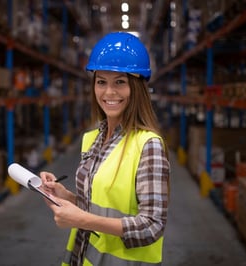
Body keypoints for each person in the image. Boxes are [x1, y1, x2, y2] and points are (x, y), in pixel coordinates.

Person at [40, 31, 170, 266]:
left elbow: (153, 225)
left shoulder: (148, 145)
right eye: (101, 82)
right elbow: (98, 205)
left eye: (120, 82)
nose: (109, 92)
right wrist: (66, 196)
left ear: (136, 87)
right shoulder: (92, 139)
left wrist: (82, 220)